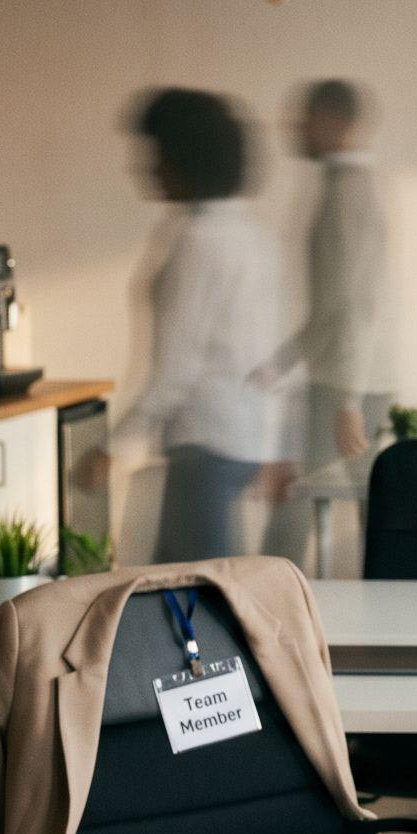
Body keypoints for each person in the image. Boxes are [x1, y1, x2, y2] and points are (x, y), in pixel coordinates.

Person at [114, 88, 287, 563]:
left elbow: (176, 365)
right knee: (184, 598)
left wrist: (116, 441)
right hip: (238, 437)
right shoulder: (251, 233)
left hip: (204, 442)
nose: (146, 167)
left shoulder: (195, 239)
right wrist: (272, 441)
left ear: (184, 158)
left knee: (194, 602)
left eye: (157, 154)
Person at [258, 80, 390, 567]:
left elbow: (354, 305)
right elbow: (335, 306)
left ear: (336, 122)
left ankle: (258, 617)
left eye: (306, 118)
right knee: (316, 509)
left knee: (298, 507)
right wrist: (281, 362)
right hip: (345, 378)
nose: (296, 129)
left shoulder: (347, 194)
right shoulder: (346, 187)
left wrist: (348, 398)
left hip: (345, 384)